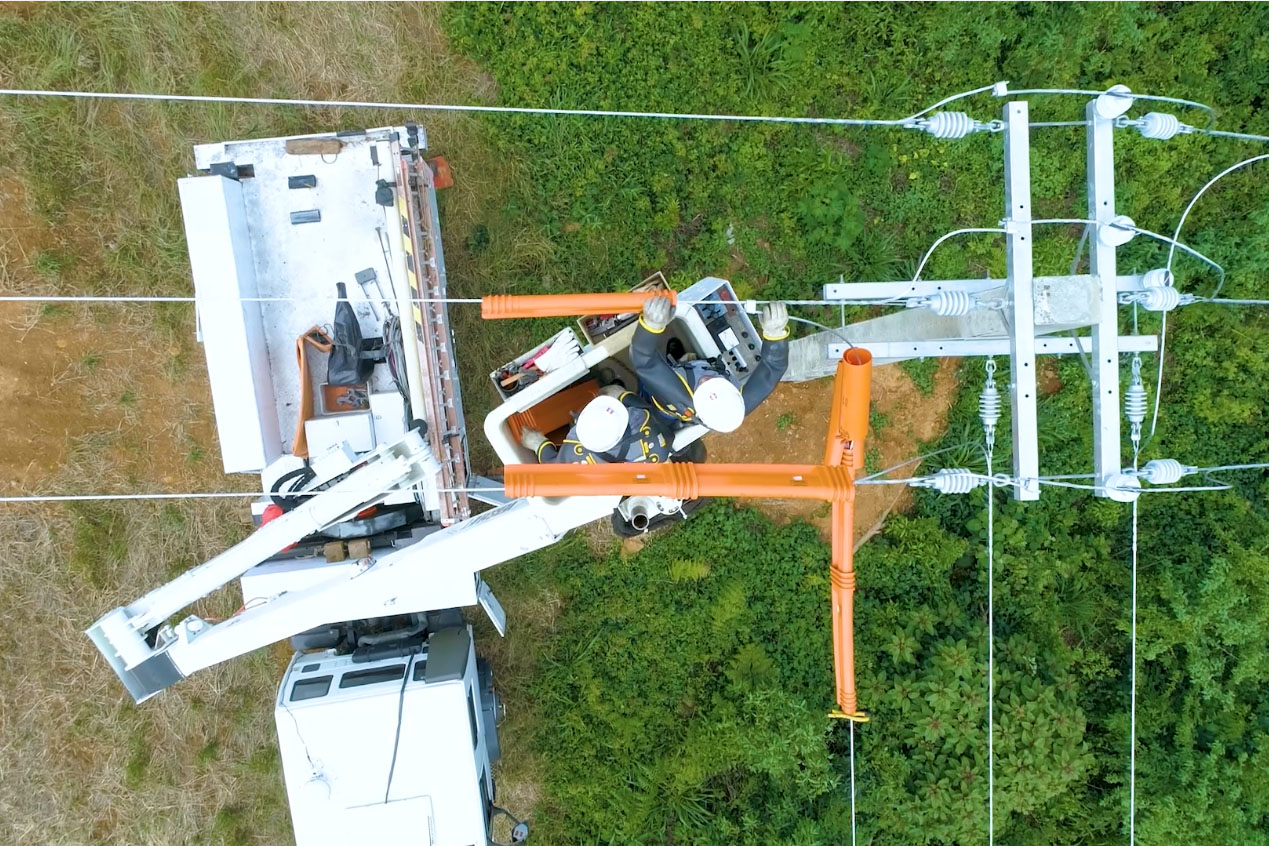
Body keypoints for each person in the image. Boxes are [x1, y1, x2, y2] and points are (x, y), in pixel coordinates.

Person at [631, 294, 789, 433]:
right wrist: (775, 335)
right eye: (716, 383)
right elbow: (773, 369)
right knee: (687, 365)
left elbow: (644, 361)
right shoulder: (733, 406)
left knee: (646, 387)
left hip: (661, 404)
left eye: (703, 386)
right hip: (690, 370)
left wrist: (651, 327)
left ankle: (644, 388)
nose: (707, 379)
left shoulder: (677, 394)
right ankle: (680, 361)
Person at [520, 386, 676, 464]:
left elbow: (552, 465)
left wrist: (536, 442)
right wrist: (612, 392)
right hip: (658, 436)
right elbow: (636, 403)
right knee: (615, 390)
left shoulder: (576, 452)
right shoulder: (642, 419)